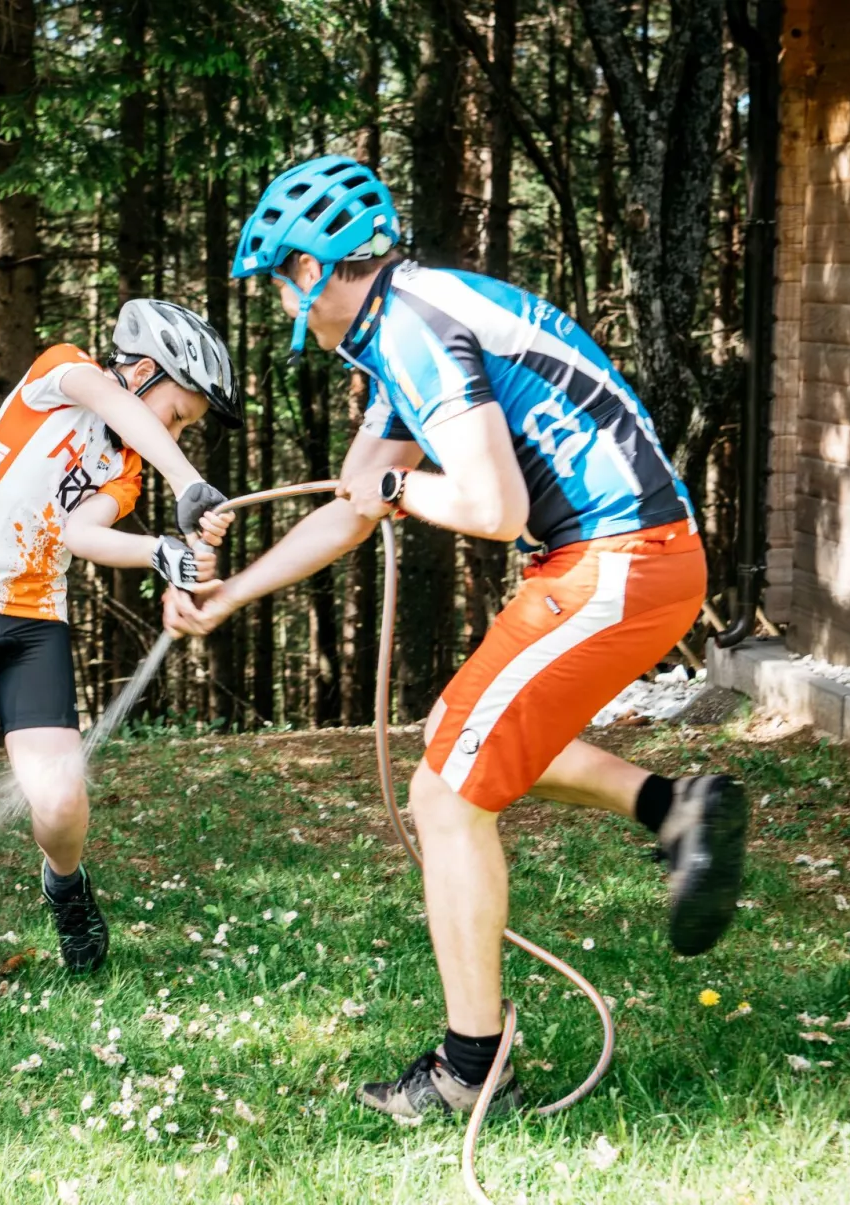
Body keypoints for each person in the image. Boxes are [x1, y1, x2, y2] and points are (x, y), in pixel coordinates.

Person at [164, 155, 748, 1117]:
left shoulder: (419, 327)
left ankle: (473, 1072)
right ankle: (674, 807)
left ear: (313, 269)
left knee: (443, 796)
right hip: (624, 559)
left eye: (280, 282)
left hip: (620, 560)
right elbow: (350, 508)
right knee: (461, 732)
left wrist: (398, 489)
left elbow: (485, 502)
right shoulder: (404, 327)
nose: (282, 307)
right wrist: (233, 593)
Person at [0, 299, 240, 1016]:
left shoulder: (123, 469)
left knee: (58, 799)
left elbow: (80, 534)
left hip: (32, 623)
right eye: (177, 414)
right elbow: (115, 403)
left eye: (180, 429)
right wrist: (187, 481)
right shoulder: (63, 372)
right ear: (145, 371)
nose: (171, 432)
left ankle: (66, 885)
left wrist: (163, 554)